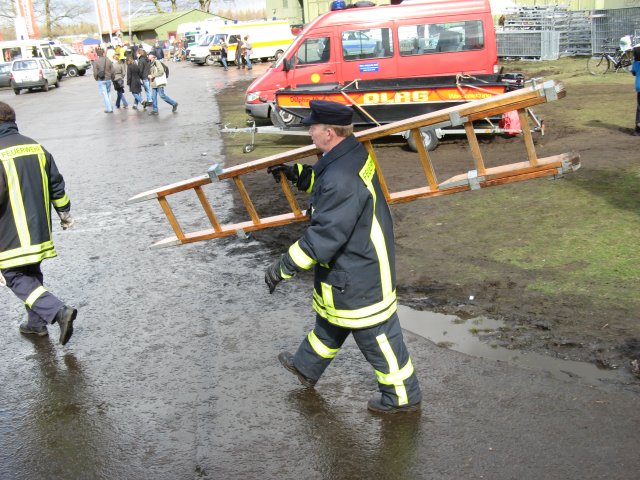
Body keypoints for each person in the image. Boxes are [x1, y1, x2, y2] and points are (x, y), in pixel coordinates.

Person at [264, 100, 422, 414]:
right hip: (355, 262)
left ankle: (403, 397)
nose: (309, 131)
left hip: (360, 271)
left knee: (377, 337)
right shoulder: (349, 154)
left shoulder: (342, 177)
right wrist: (297, 174)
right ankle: (306, 366)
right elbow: (327, 187)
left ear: (330, 132)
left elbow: (323, 237)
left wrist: (282, 268)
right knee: (331, 323)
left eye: (313, 127)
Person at [0, 101, 77, 345]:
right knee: (31, 272)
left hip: (9, 233)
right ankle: (35, 324)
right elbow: (56, 183)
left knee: (14, 275)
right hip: (39, 230)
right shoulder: (35, 147)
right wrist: (64, 212)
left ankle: (56, 311)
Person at [147, 51, 178, 116]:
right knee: (153, 97)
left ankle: (174, 103)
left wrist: (152, 76)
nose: (148, 56)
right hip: (154, 83)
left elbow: (161, 71)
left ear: (153, 56)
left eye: (149, 55)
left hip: (159, 82)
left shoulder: (157, 62)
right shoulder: (151, 63)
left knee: (162, 95)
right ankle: (155, 110)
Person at [92, 48, 114, 113]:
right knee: (109, 93)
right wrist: (112, 77)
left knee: (105, 94)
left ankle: (109, 108)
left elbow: (95, 72)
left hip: (101, 80)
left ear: (97, 54)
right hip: (108, 79)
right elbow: (112, 70)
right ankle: (111, 107)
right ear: (103, 53)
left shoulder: (96, 62)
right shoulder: (108, 60)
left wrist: (96, 78)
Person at [632, 46, 640, 136]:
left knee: (639, 107)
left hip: (639, 87)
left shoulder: (636, 64)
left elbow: (633, 72)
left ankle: (638, 128)